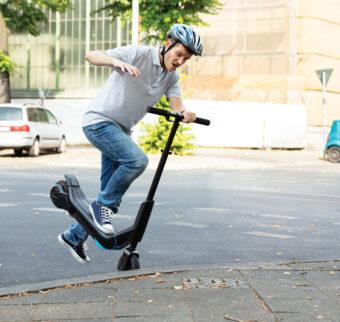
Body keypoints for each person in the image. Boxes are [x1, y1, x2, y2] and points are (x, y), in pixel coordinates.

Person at [58, 24, 203, 263]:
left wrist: (186, 114)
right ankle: (99, 209)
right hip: (99, 122)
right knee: (136, 161)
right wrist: (115, 62)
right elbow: (91, 55)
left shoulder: (171, 77)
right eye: (178, 54)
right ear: (168, 44)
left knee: (109, 196)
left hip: (121, 131)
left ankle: (73, 236)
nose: (180, 61)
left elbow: (178, 107)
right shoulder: (139, 53)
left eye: (185, 59)